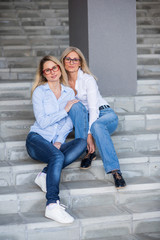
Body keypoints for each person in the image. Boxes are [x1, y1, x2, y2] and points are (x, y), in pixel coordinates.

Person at [26, 55, 86, 224]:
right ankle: (52, 204)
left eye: (55, 68)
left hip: (53, 143)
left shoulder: (68, 92)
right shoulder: (39, 92)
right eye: (47, 70)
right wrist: (65, 109)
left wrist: (59, 140)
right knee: (57, 157)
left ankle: (45, 174)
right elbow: (43, 121)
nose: (52, 72)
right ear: (43, 73)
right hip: (37, 139)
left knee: (81, 142)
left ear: (60, 69)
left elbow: (67, 123)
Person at [60, 46, 126, 189]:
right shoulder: (61, 83)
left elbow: (93, 108)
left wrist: (89, 135)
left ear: (80, 62)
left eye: (75, 59)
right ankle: (88, 151)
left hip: (103, 114)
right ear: (63, 61)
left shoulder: (87, 79)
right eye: (68, 59)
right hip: (84, 117)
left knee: (96, 126)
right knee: (76, 107)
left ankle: (115, 171)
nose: (71, 62)